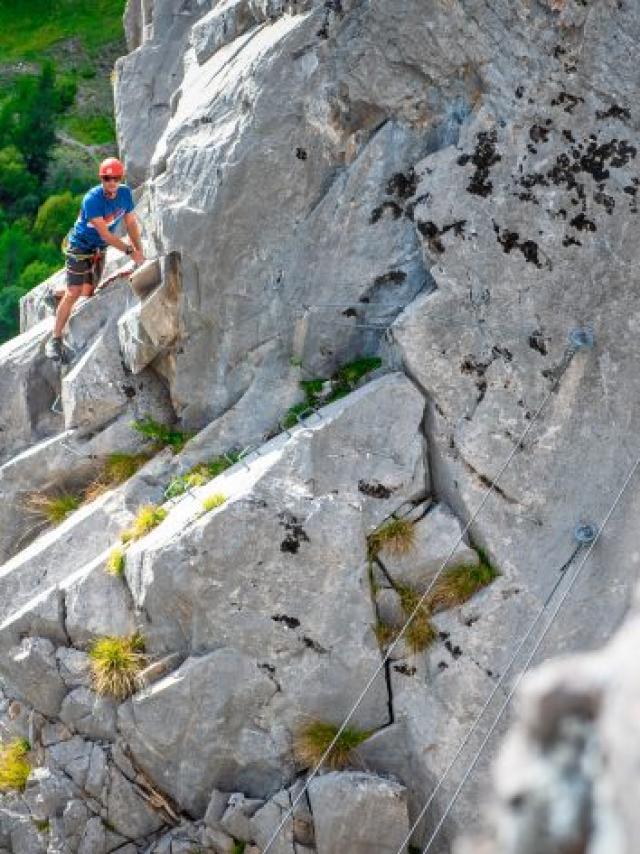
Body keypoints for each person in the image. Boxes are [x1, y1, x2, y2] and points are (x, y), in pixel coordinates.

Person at [45, 157, 145, 360]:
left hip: (98, 249)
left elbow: (131, 223)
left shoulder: (124, 194)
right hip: (80, 247)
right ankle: (55, 340)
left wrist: (139, 250)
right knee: (74, 292)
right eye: (108, 178)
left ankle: (55, 295)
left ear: (121, 178)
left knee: (88, 292)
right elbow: (106, 235)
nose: (112, 182)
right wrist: (129, 252)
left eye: (116, 178)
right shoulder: (93, 199)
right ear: (102, 178)